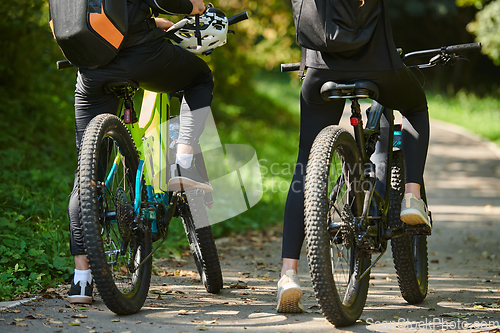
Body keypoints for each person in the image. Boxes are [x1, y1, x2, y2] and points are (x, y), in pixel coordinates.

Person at [277, 0, 432, 313]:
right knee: (415, 107)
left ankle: (288, 275)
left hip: (321, 73)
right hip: (380, 68)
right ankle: (412, 196)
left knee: (305, 167)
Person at [67, 0, 213, 304]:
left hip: (91, 67)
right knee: (200, 77)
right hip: (142, 57)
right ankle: (184, 161)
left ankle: (81, 280)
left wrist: (148, 20)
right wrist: (193, 7)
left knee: (86, 176)